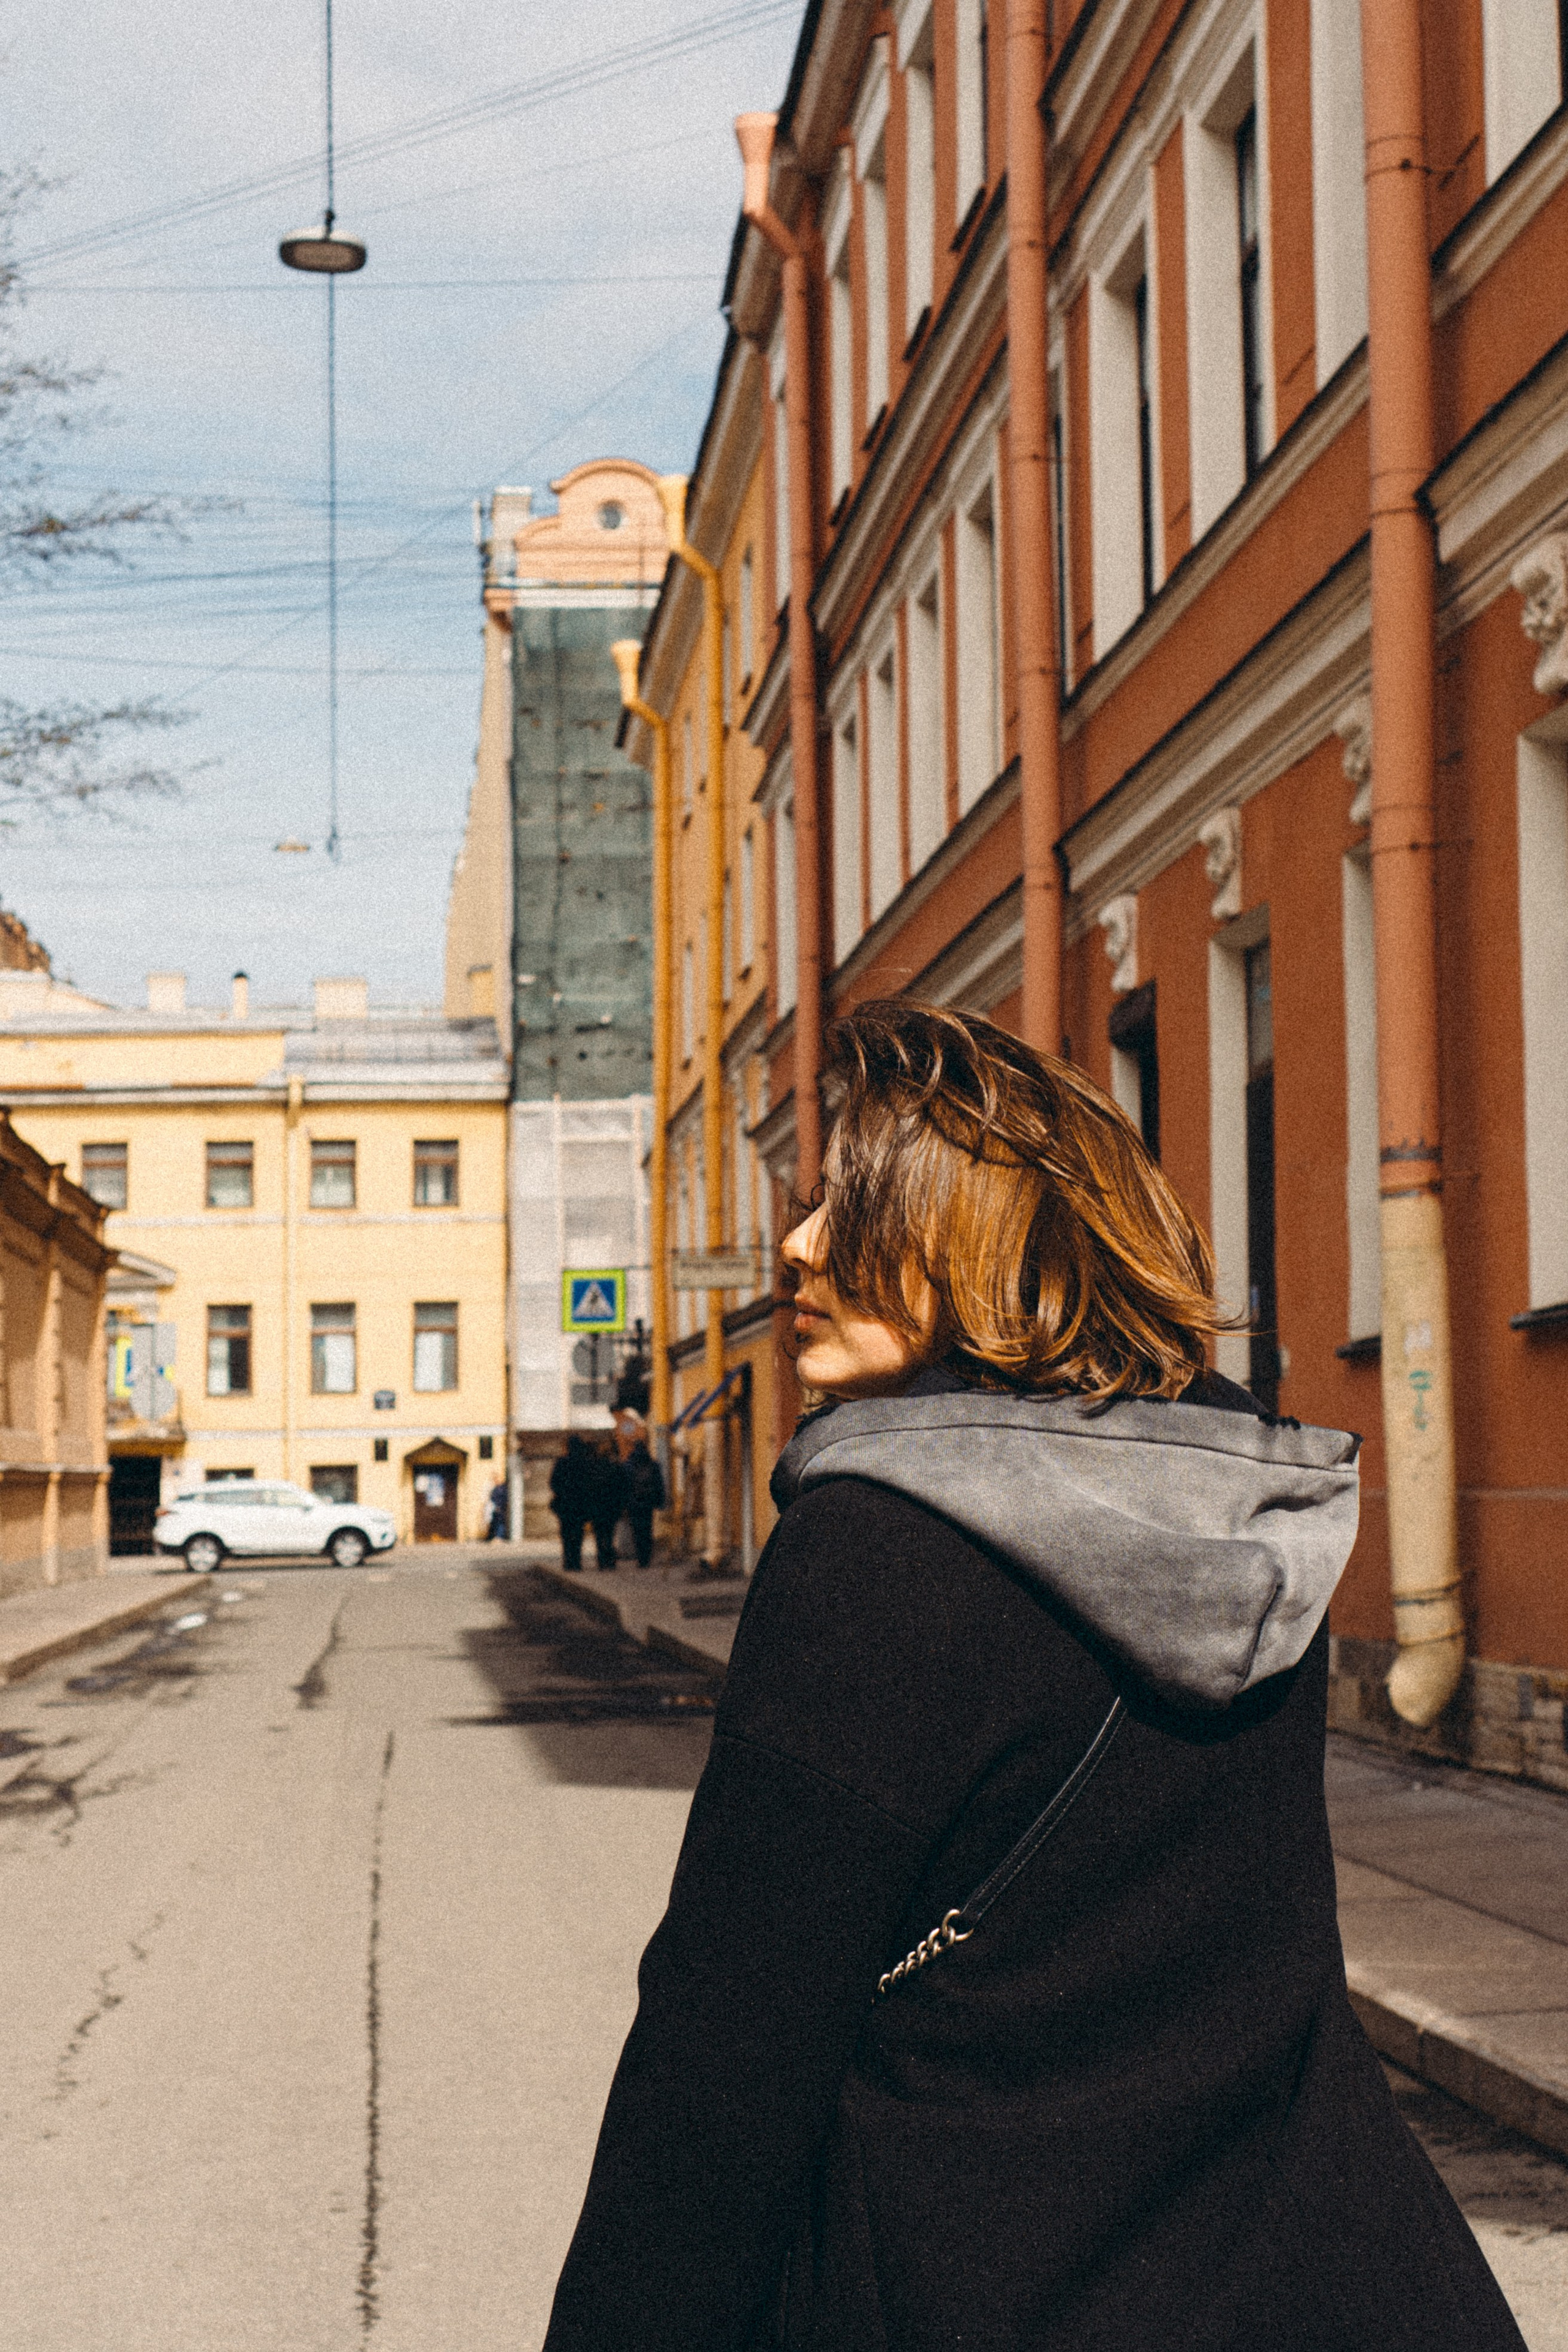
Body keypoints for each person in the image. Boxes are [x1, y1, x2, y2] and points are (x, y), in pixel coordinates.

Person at [543, 1000, 1525, 2352]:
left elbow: (724, 2060)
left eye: (854, 1208)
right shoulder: (1235, 1510)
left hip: (981, 2280)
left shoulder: (876, 1547)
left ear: (976, 1238)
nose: (800, 1246)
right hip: (1322, 2269)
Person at [548, 1435, 606, 1575]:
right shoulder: (586, 1462)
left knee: (567, 1534)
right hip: (582, 1504)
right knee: (578, 1533)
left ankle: (569, 1561)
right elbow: (593, 1483)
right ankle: (577, 1560)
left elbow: (553, 1483)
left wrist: (563, 1492)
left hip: (566, 1505)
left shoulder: (562, 1463)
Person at [622, 1438, 666, 1569]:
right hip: (648, 1503)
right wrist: (660, 1502)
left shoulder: (628, 1465)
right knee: (647, 1530)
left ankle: (641, 1559)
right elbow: (659, 1485)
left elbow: (624, 1487)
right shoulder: (653, 1464)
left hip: (633, 1504)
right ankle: (646, 1558)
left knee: (637, 1531)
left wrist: (623, 1504)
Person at [484, 1476, 509, 1541]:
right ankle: (493, 1537)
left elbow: (503, 1499)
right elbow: (492, 1499)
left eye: (496, 1479)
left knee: (500, 1523)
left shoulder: (502, 1489)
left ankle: (500, 1537)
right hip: (495, 1509)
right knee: (495, 1523)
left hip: (500, 1509)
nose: (495, 1481)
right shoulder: (495, 1489)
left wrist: (500, 1507)